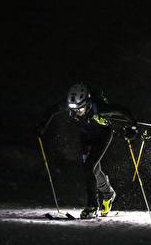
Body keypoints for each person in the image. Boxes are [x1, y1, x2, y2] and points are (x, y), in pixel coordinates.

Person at [36, 83, 138, 219]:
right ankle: (108, 194)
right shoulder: (71, 104)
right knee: (94, 170)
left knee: (88, 167)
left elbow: (123, 111)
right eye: (74, 109)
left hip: (102, 136)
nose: (77, 112)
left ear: (87, 102)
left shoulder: (98, 107)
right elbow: (51, 110)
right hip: (85, 137)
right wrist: (42, 125)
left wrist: (133, 128)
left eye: (80, 108)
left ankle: (92, 206)